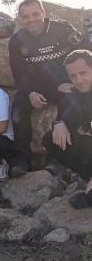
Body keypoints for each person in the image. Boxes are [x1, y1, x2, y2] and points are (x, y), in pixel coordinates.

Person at [8, 0, 90, 176]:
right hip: (35, 88)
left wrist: (74, 81)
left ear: (44, 13)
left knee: (73, 103)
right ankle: (22, 159)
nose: (32, 19)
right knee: (17, 113)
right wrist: (29, 92)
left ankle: (58, 158)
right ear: (21, 19)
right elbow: (18, 73)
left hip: (65, 85)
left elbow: (86, 52)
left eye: (35, 14)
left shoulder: (63, 29)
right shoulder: (16, 41)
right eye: (26, 16)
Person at [41, 50, 92, 209]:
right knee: (51, 139)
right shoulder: (80, 94)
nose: (79, 80)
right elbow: (70, 115)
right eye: (73, 76)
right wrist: (59, 123)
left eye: (83, 73)